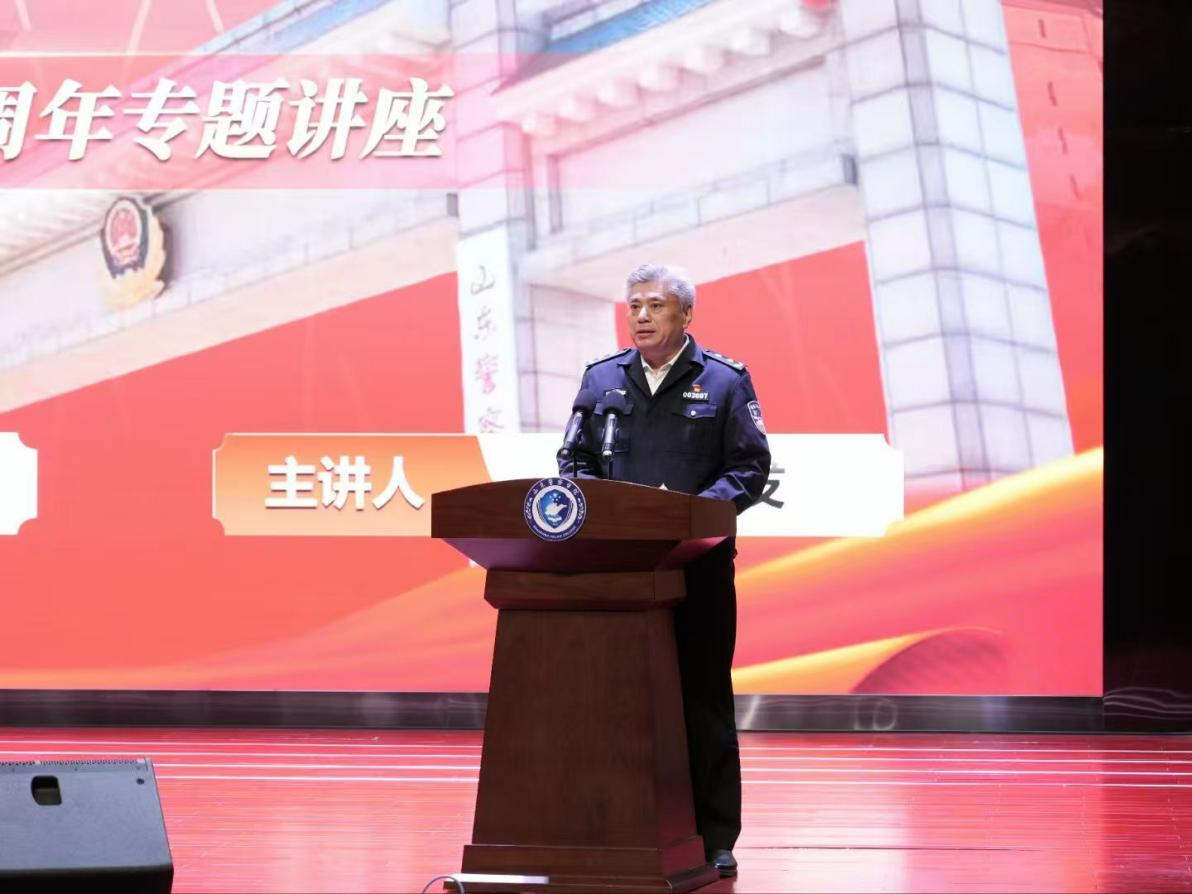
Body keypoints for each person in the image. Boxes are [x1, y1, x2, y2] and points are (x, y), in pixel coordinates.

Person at [558, 262, 771, 877]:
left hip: (696, 567)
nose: (642, 316)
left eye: (655, 305)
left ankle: (714, 836)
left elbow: (749, 468)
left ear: (686, 314)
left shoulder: (725, 381)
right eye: (634, 306)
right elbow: (573, 460)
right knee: (616, 701)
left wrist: (687, 517)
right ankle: (613, 824)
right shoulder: (601, 379)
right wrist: (605, 510)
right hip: (618, 570)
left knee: (702, 701)